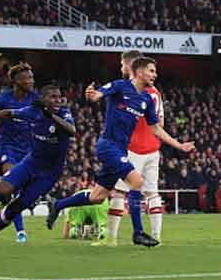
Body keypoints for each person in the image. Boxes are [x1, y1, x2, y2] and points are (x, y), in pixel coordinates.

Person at [45, 57, 195, 248]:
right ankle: (138, 233)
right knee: (137, 182)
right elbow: (98, 95)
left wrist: (179, 145)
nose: (154, 75)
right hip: (108, 146)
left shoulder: (147, 99)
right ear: (139, 72)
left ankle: (57, 205)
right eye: (151, 71)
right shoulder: (120, 86)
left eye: (155, 71)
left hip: (120, 149)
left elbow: (156, 128)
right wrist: (93, 95)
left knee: (97, 196)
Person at [0, 85, 75, 246]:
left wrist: (51, 116)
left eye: (59, 96)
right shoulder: (32, 112)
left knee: (17, 207)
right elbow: (8, 112)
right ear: (43, 100)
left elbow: (71, 131)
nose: (58, 100)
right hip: (31, 162)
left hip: (50, 173)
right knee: (2, 190)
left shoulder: (64, 113)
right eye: (53, 97)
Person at [97, 50, 166, 247]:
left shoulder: (129, 90)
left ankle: (111, 239)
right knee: (152, 193)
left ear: (130, 65)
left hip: (131, 147)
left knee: (119, 192)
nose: (121, 68)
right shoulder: (155, 93)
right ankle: (156, 237)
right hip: (153, 148)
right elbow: (159, 122)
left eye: (122, 65)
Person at [0, 63, 37, 243]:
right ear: (16, 81)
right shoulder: (2, 100)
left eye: (31, 77)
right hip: (9, 148)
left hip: (30, 149)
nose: (31, 80)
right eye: (27, 78)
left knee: (20, 191)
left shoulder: (36, 98)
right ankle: (20, 231)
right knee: (13, 185)